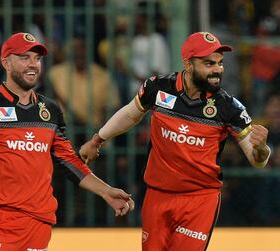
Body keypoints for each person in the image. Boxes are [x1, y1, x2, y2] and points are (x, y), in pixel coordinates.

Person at [0, 32, 134, 251]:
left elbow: (68, 161)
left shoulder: (51, 111)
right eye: (24, 57)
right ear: (6, 63)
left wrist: (105, 191)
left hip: (38, 223)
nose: (33, 64)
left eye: (37, 58)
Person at [80, 31, 271, 251]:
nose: (217, 70)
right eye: (209, 64)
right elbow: (130, 114)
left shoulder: (229, 107)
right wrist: (97, 139)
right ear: (188, 64)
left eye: (220, 63)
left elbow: (258, 161)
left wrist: (261, 148)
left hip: (200, 200)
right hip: (157, 195)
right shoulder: (158, 87)